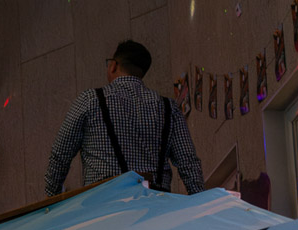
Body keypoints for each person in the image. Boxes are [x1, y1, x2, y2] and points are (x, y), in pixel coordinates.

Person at [45, 39, 204, 197]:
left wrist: (51, 201)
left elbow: (60, 155)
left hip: (104, 203)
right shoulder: (169, 107)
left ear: (113, 65)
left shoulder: (91, 100)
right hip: (156, 205)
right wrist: (201, 202)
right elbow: (188, 162)